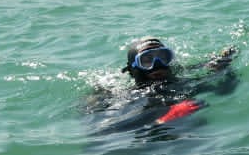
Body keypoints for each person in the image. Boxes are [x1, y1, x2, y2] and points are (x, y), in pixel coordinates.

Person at [84, 37, 238, 137]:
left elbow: (224, 91)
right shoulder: (130, 96)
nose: (157, 64)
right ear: (132, 70)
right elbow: (103, 132)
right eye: (147, 60)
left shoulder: (182, 82)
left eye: (162, 56)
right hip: (147, 144)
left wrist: (225, 70)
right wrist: (165, 117)